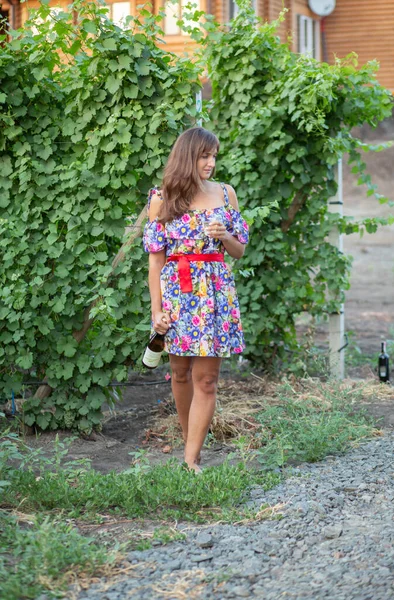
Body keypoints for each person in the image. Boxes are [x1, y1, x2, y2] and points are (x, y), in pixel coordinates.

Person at [142, 127, 249, 473]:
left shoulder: (225, 193)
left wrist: (226, 235)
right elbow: (156, 261)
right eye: (205, 156)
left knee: (207, 379)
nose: (211, 163)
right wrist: (156, 312)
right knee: (180, 372)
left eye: (214, 155)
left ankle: (191, 459)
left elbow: (240, 251)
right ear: (188, 156)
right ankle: (192, 445)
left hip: (215, 292)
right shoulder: (163, 197)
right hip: (179, 292)